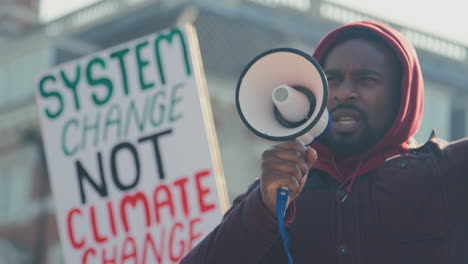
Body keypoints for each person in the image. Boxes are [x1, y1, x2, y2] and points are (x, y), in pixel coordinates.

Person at [181, 20, 468, 263]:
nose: (344, 93)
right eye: (331, 79)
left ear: (402, 95)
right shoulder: (278, 189)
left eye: (366, 80)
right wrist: (264, 208)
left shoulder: (446, 173)